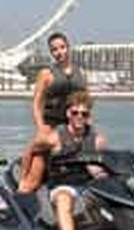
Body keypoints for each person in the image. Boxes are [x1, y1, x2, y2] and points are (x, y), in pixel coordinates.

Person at [20, 89, 108, 230]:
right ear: (68, 113)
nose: (79, 117)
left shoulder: (98, 140)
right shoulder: (54, 138)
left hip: (88, 185)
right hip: (63, 184)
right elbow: (32, 150)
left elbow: (101, 164)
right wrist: (24, 178)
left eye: (84, 114)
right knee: (63, 199)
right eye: (75, 113)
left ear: (89, 116)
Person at [20, 31, 88, 193]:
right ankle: (23, 182)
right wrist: (41, 126)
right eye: (54, 50)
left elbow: (85, 102)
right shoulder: (46, 73)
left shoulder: (81, 73)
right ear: (51, 52)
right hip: (50, 124)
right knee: (35, 171)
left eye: (62, 47)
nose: (59, 52)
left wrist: (87, 124)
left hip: (72, 126)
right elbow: (37, 103)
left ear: (68, 47)